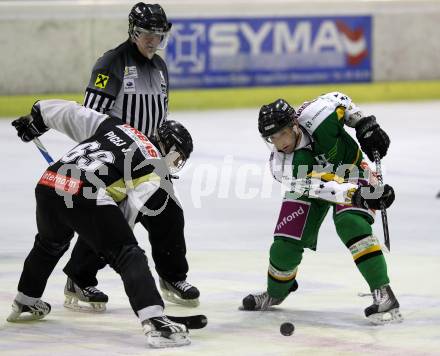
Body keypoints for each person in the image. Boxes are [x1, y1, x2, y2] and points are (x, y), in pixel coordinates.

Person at [8, 99, 195, 348]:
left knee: (49, 244)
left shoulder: (118, 127)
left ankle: (26, 299)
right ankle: (156, 321)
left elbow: (71, 112)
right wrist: (114, 247)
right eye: (178, 158)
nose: (175, 164)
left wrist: (38, 116)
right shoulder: (153, 168)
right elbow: (123, 228)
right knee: (129, 253)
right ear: (170, 149)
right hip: (85, 192)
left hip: (49, 183)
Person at [63, 2, 200, 310]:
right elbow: (90, 117)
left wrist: (166, 139)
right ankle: (80, 280)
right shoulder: (111, 62)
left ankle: (173, 277)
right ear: (133, 32)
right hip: (116, 159)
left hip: (150, 158)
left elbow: (159, 113)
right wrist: (95, 159)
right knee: (111, 223)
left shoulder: (160, 66)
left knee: (169, 215)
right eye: (146, 33)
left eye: (158, 34)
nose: (152, 40)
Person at [241, 92, 402, 325]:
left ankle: (383, 293)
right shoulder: (282, 165)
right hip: (316, 188)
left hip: (354, 171)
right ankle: (276, 292)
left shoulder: (319, 114)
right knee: (284, 245)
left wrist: (363, 123)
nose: (279, 143)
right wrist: (361, 196)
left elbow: (341, 99)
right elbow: (323, 188)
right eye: (271, 138)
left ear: (294, 124)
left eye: (282, 134)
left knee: (351, 224)